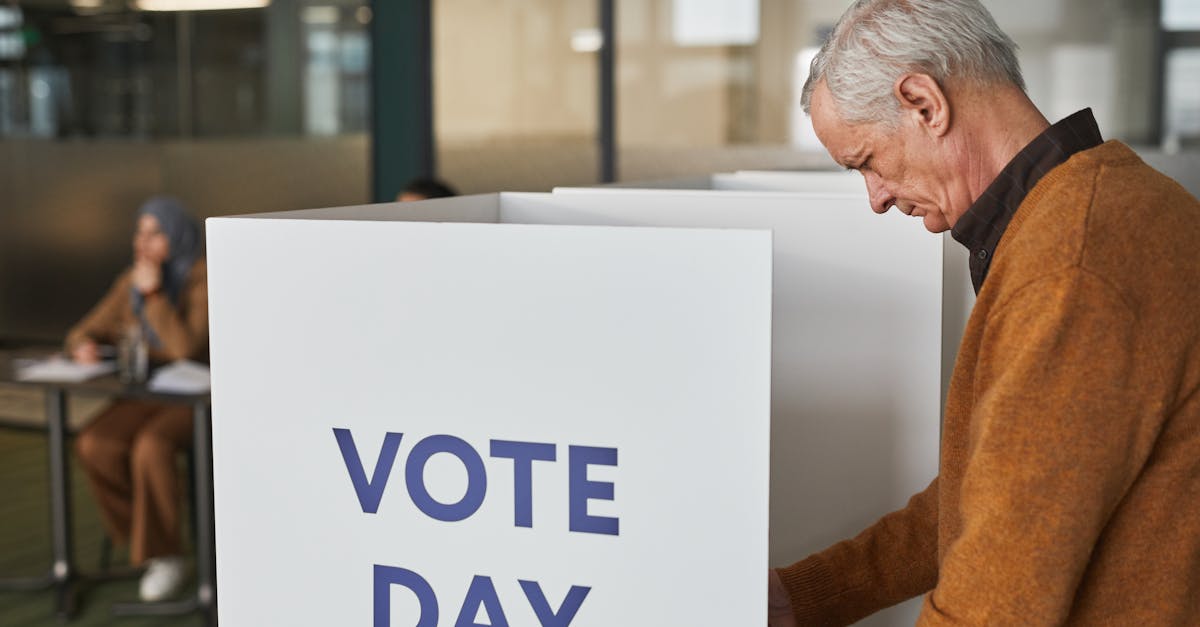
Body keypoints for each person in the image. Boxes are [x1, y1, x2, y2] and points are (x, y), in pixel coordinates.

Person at [768, 1, 1200, 625]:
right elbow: (996, 489)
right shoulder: (1110, 208)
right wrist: (805, 596)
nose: (877, 199)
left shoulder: (1071, 268)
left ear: (924, 103)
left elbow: (999, 596)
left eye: (866, 161)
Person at [68, 196, 208, 603]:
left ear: (177, 237)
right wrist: (84, 346)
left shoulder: (202, 279)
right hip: (146, 392)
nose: (142, 242)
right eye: (139, 232)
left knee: (151, 447)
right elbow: (81, 330)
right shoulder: (130, 280)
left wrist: (154, 297)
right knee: (95, 443)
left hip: (196, 397)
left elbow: (183, 347)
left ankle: (167, 556)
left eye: (155, 233)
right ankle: (143, 545)